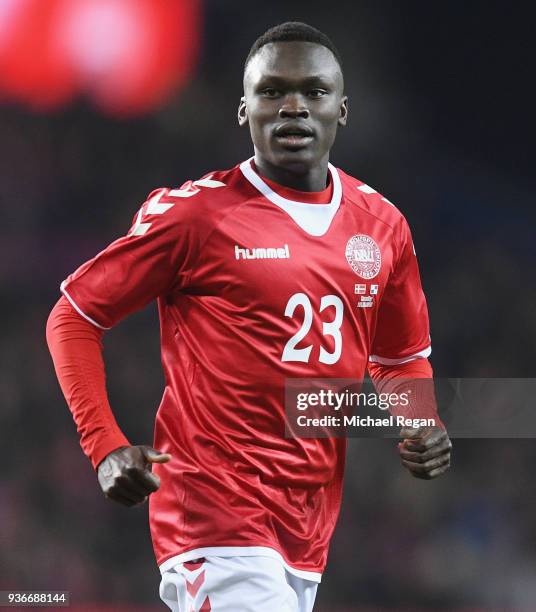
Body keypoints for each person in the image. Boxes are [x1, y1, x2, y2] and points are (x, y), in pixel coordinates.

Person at [47, 21, 452, 612]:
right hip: (213, 515)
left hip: (308, 526)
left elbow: (400, 358)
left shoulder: (381, 226)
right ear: (244, 110)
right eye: (272, 92)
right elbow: (74, 317)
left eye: (314, 92)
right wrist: (105, 445)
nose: (293, 106)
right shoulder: (196, 215)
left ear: (343, 108)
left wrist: (420, 422)